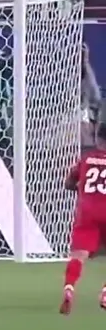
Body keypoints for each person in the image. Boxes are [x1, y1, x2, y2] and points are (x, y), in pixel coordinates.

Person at [60, 123, 106, 314]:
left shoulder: (86, 159)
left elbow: (68, 183)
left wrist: (81, 188)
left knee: (79, 255)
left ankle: (69, 287)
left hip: (87, 212)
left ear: (97, 138)